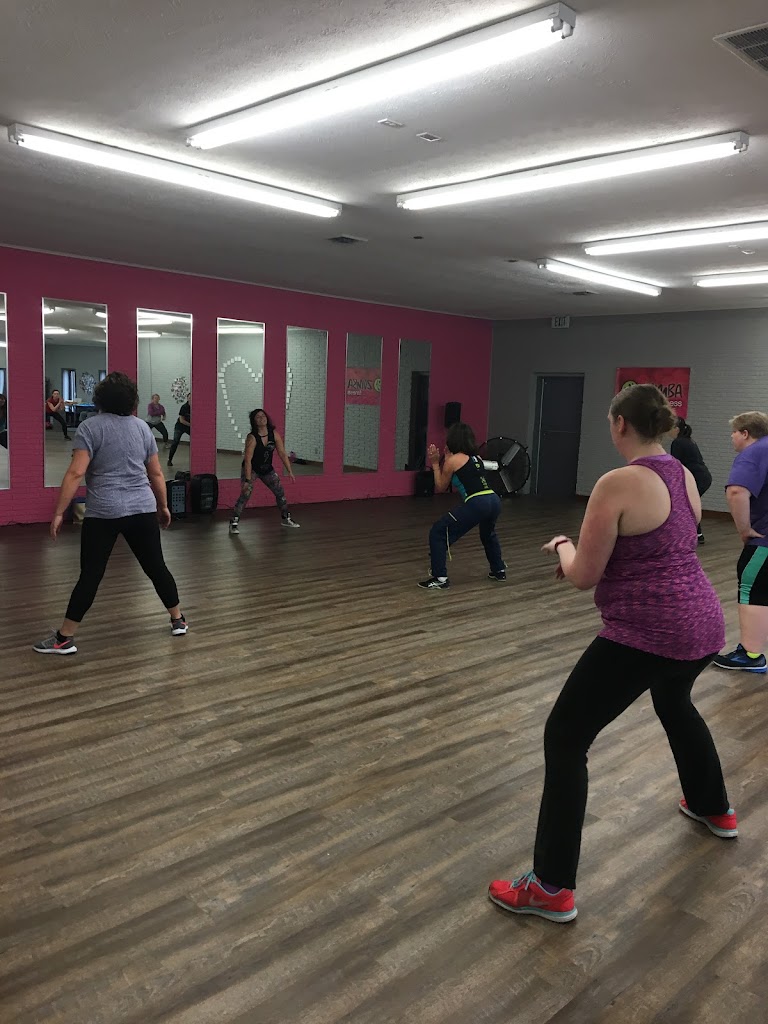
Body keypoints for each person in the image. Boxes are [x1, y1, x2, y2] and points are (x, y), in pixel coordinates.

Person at [488, 384, 734, 924]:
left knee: (565, 736)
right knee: (674, 702)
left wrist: (563, 546)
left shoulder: (617, 483)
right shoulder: (682, 474)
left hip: (647, 631)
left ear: (620, 423)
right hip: (702, 623)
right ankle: (713, 807)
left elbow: (584, 576)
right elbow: (666, 548)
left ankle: (550, 887)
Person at [33, 372, 187, 655]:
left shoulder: (90, 427)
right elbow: (155, 472)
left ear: (100, 399)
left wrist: (59, 512)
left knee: (91, 574)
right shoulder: (142, 428)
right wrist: (163, 506)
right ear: (132, 400)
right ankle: (178, 619)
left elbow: (76, 472)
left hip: (104, 511)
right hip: (141, 508)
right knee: (156, 567)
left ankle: (64, 638)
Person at [418, 422, 505, 589]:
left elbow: (441, 486)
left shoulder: (453, 460)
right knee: (488, 534)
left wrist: (435, 463)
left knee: (438, 532)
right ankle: (498, 570)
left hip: (478, 502)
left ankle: (440, 578)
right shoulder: (477, 458)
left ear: (452, 440)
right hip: (493, 500)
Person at [712, 411, 768, 673]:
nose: (732, 438)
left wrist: (745, 530)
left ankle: (750, 655)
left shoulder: (753, 453)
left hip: (765, 540)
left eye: (733, 433)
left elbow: (736, 491)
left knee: (752, 588)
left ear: (745, 433)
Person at [229, 408, 300, 532]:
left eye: (263, 416)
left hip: (267, 469)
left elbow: (282, 453)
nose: (262, 418)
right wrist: (247, 480)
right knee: (245, 494)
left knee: (280, 493)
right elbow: (248, 460)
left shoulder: (274, 434)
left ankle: (286, 518)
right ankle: (233, 523)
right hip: (252, 469)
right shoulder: (252, 438)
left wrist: (290, 471)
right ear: (254, 421)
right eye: (258, 417)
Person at [670, 417, 711, 543]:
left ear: (677, 429)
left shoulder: (678, 442)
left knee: (687, 505)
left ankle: (692, 534)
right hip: (703, 476)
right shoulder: (688, 440)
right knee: (689, 504)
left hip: (697, 477)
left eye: (671, 428)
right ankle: (697, 534)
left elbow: (675, 464)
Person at [167, 393, 190, 467]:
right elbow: (181, 420)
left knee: (196, 440)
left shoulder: (196, 407)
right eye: (189, 397)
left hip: (189, 426)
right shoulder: (184, 407)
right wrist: (192, 425)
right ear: (187, 398)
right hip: (180, 426)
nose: (191, 399)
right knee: (175, 442)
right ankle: (169, 460)